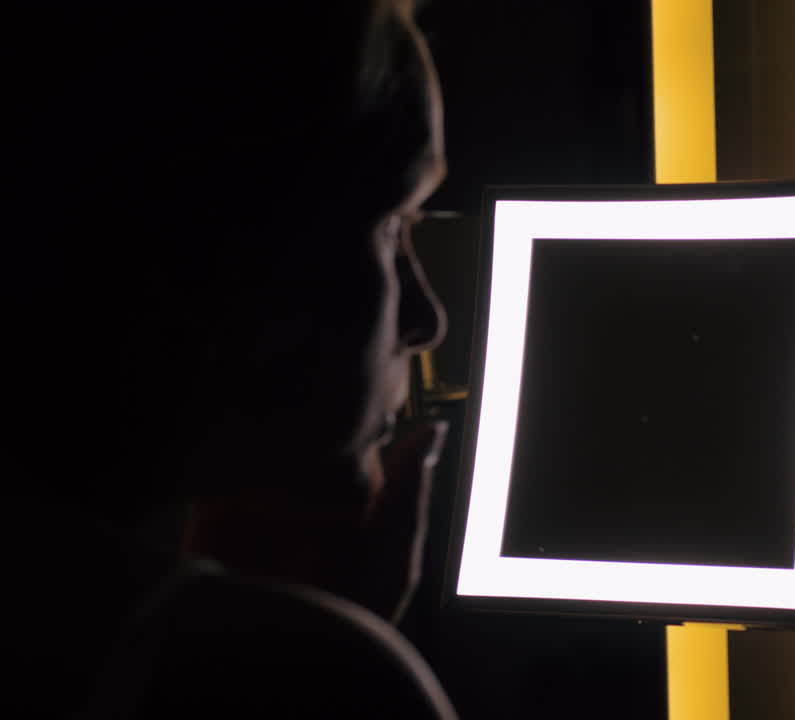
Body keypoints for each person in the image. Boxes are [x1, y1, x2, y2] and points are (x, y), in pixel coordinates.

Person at [1, 1, 458, 716]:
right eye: (394, 223)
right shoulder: (310, 679)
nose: (428, 323)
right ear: (236, 245)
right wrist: (302, 674)